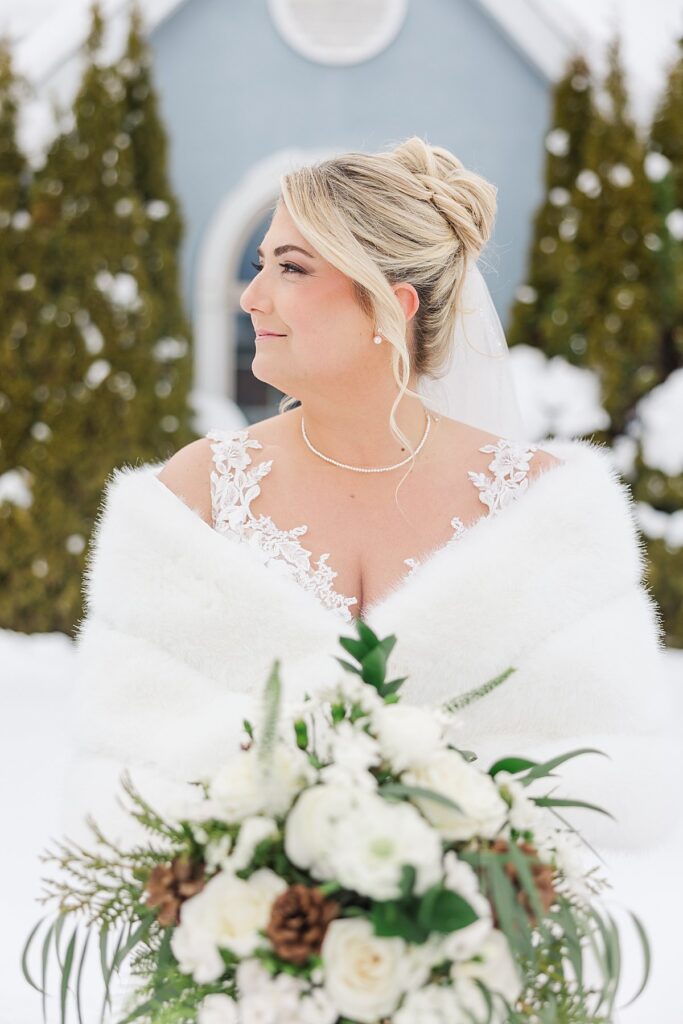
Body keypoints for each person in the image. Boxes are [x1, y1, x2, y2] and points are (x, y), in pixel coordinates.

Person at [61, 137, 678, 862]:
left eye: (289, 268)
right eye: (259, 265)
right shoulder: (197, 496)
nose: (250, 295)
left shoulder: (538, 507)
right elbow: (122, 778)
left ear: (390, 304)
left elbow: (606, 791)